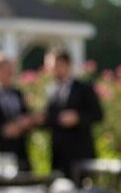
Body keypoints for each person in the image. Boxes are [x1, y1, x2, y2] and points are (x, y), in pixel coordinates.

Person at [43, 48, 104, 178]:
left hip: (80, 153)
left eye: (56, 66)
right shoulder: (51, 90)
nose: (53, 70)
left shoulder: (84, 88)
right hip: (58, 155)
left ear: (67, 65)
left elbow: (98, 115)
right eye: (51, 67)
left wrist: (78, 118)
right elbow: (50, 118)